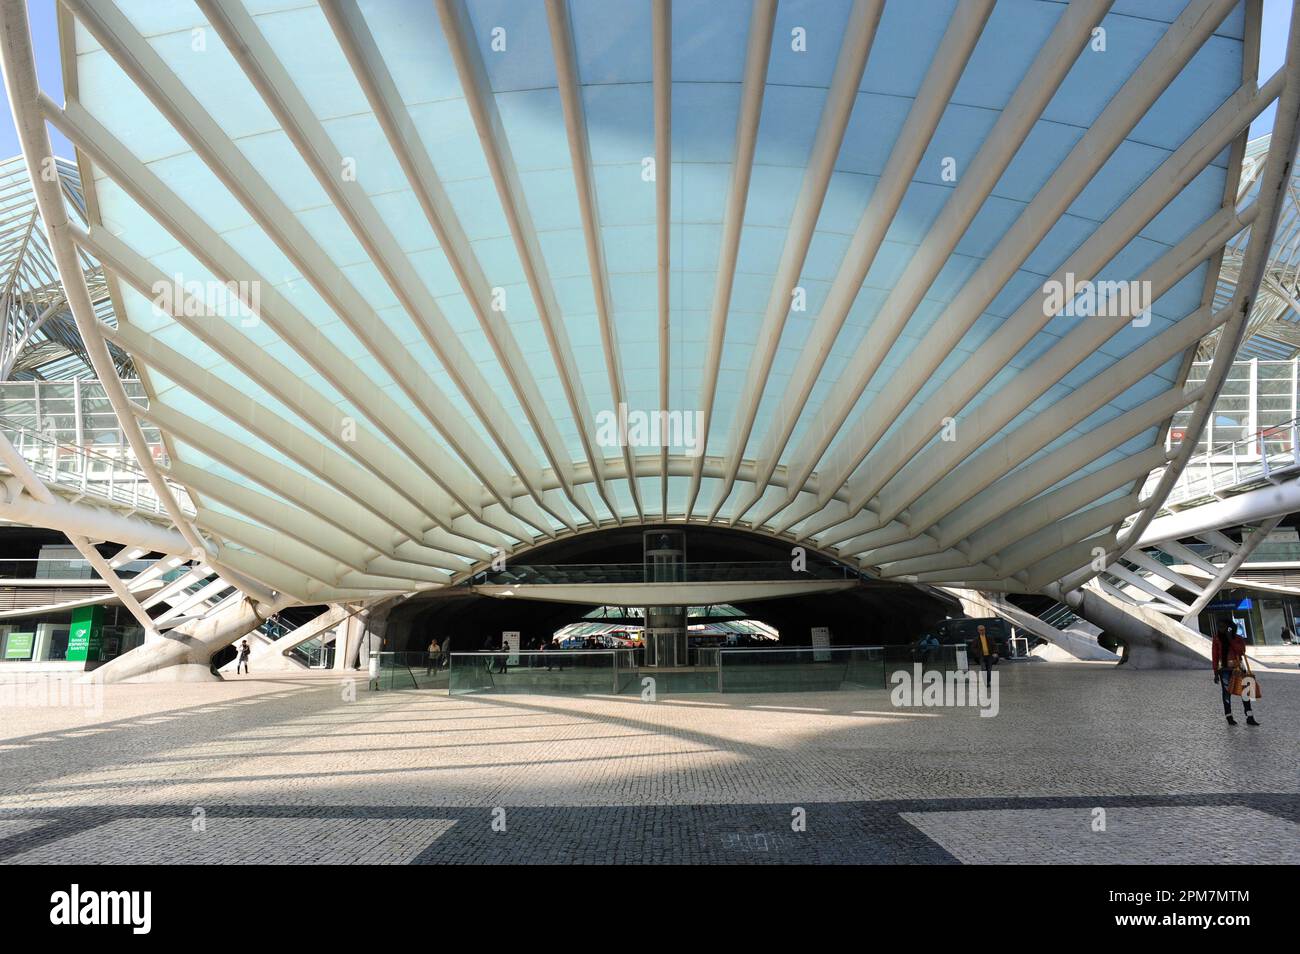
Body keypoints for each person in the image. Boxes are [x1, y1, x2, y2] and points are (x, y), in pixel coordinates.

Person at [1213, 620, 1259, 726]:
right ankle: (1229, 717)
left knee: (1245, 693)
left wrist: (1230, 639)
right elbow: (1215, 656)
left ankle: (1249, 716)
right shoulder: (1217, 639)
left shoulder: (1238, 638)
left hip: (1239, 668)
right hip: (1224, 670)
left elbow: (1241, 651)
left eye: (1223, 626)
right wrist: (1215, 672)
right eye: (1219, 626)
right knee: (1226, 693)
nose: (1221, 629)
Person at [971, 624, 996, 690]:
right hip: (981, 657)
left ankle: (988, 681)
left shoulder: (989, 637)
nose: (982, 631)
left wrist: (995, 653)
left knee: (989, 670)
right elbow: (973, 648)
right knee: (983, 669)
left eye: (983, 630)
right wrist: (978, 654)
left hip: (989, 656)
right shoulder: (976, 639)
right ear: (978, 631)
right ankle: (985, 682)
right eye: (981, 630)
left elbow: (994, 645)